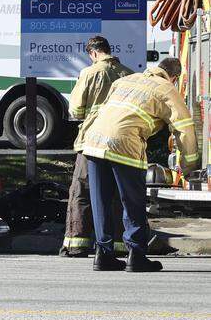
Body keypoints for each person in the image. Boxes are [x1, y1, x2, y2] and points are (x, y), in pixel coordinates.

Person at [81, 57, 199, 272]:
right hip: (124, 143)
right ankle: (136, 255)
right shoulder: (166, 88)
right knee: (132, 201)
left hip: (94, 142)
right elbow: (184, 128)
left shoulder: (126, 80)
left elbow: (101, 111)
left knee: (101, 201)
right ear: (174, 77)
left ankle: (103, 254)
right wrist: (188, 165)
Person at [60, 36, 132, 257]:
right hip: (122, 143)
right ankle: (119, 244)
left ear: (93, 53)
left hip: (92, 141)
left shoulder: (89, 73)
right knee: (118, 192)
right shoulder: (129, 74)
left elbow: (76, 110)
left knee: (81, 189)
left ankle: (77, 244)